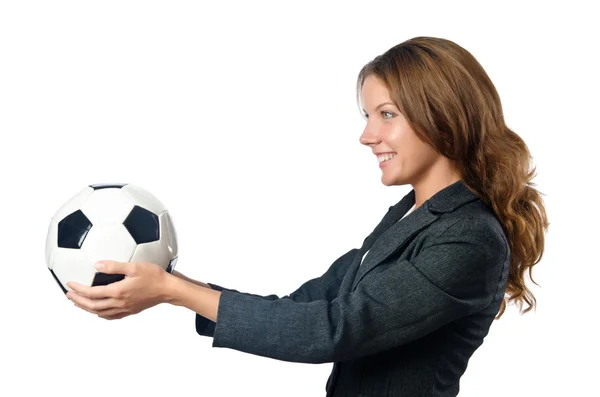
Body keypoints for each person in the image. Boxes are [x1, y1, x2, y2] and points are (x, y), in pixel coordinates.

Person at [65, 36, 549, 397]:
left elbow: (332, 330)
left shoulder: (469, 238)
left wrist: (174, 291)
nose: (366, 136)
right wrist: (173, 286)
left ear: (442, 114)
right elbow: (304, 306)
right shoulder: (409, 216)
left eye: (385, 115)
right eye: (366, 115)